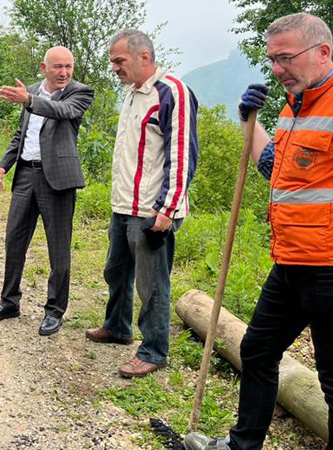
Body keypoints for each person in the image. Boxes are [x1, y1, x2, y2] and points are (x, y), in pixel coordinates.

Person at [185, 12, 333, 450]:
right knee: (256, 350)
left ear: (322, 52)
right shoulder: (297, 106)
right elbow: (273, 168)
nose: (275, 69)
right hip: (291, 262)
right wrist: (248, 119)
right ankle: (242, 445)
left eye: (285, 58)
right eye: (272, 59)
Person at [84, 29, 198, 378]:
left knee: (152, 284)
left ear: (143, 57)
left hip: (151, 209)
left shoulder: (171, 92)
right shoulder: (132, 93)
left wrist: (166, 209)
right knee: (116, 270)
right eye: (112, 62)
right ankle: (117, 327)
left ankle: (154, 350)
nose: (114, 68)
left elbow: (182, 156)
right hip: (124, 205)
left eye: (119, 61)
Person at [0, 46, 94, 336]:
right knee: (14, 241)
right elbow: (23, 133)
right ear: (44, 68)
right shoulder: (30, 90)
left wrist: (30, 100)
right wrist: (5, 163)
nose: (64, 73)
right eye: (58, 67)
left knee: (59, 249)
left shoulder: (79, 93)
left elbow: (62, 111)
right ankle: (9, 302)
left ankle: (55, 310)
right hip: (26, 176)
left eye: (69, 66)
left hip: (58, 179)